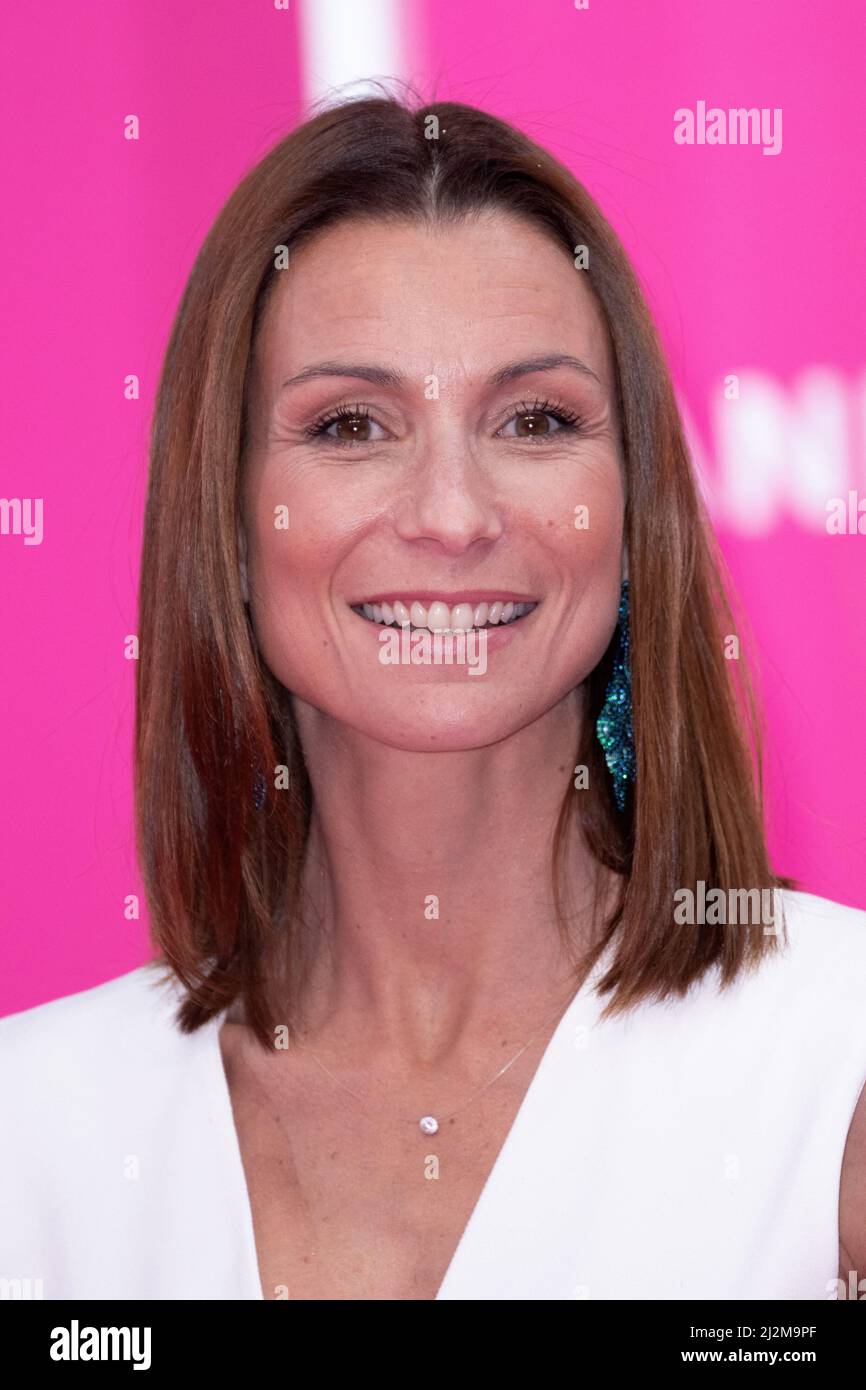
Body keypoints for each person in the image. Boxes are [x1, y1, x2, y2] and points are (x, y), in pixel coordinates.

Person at [2, 93, 864, 1302]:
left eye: (534, 420)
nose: (453, 516)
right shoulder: (33, 1132)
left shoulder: (837, 1058)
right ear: (232, 524)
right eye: (351, 424)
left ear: (629, 515)